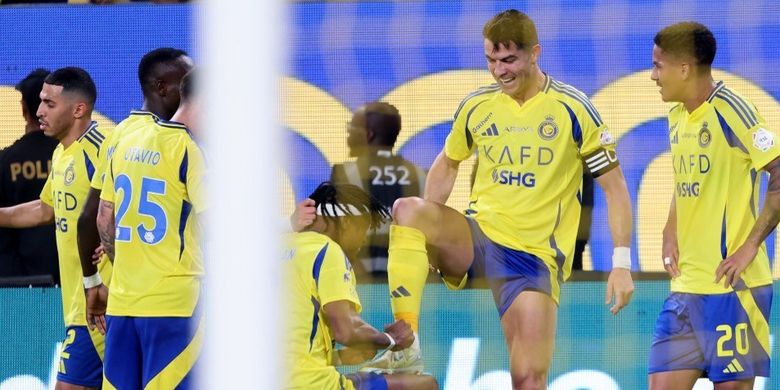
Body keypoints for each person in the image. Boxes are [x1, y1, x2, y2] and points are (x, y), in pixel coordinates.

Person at [362, 9, 635, 389]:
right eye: (491, 60)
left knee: (529, 377)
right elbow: (447, 164)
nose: (499, 71)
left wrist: (621, 262)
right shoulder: (478, 105)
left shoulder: (573, 108)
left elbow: (615, 186)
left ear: (534, 53)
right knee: (408, 209)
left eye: (509, 60)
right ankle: (405, 342)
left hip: (533, 257)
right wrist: (423, 239)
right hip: (478, 236)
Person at [648, 22, 776, 390]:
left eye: (659, 66)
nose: (653, 76)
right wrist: (670, 227)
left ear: (685, 69)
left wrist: (750, 246)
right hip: (685, 288)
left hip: (734, 290)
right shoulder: (675, 114)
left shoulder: (733, 111)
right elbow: (688, 178)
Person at [0, 67, 112, 390]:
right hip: (78, 304)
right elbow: (45, 209)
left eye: (49, 103)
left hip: (103, 306)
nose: (38, 112)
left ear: (78, 109)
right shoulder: (63, 154)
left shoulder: (99, 152)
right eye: (39, 103)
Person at [95, 69, 203, 389]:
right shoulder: (191, 149)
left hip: (123, 303)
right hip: (176, 306)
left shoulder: (125, 136)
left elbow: (104, 217)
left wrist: (129, 265)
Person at [77, 47, 193, 329]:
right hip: (175, 303)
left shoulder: (119, 134)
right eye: (187, 82)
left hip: (125, 299)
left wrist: (94, 281)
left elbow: (94, 217)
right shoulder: (183, 143)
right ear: (162, 87)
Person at [285, 181, 438, 390]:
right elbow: (346, 332)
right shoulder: (327, 250)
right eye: (364, 231)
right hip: (310, 385)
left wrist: (339, 357)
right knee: (424, 385)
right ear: (347, 222)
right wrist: (391, 339)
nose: (362, 243)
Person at [331, 102, 427, 276]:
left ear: (368, 135)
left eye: (352, 127)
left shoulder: (343, 173)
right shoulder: (421, 175)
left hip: (356, 278)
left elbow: (332, 233)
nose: (348, 133)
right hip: (407, 277)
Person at [0, 68, 60, 283]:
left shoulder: (4, 161)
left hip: (16, 284)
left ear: (23, 108)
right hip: (72, 277)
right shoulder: (74, 157)